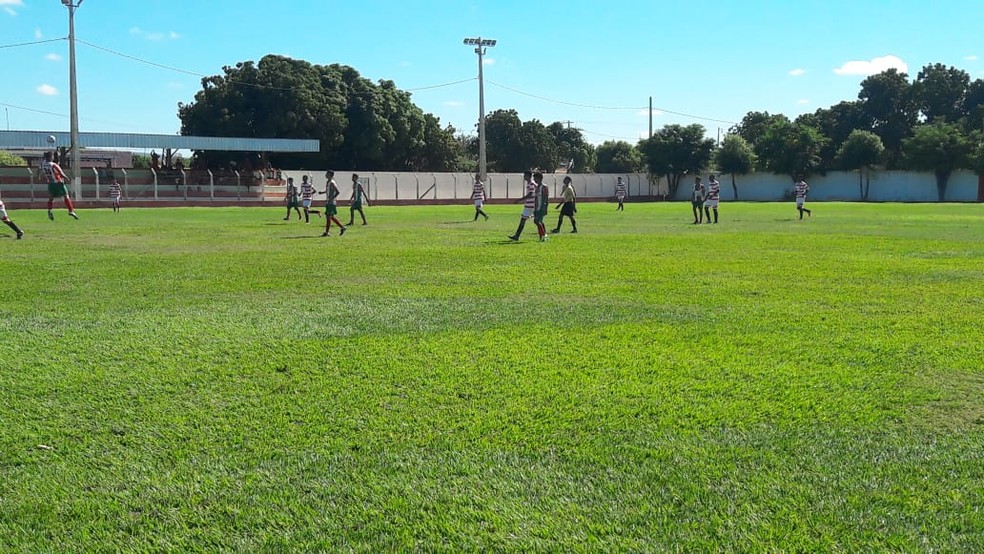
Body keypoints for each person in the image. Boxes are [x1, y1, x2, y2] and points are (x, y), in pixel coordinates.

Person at [40, 151, 78, 221]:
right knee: (66, 196)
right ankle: (71, 211)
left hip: (50, 183)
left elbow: (39, 170)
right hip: (58, 182)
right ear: (51, 157)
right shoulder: (53, 165)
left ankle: (49, 211)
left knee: (51, 197)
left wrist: (39, 176)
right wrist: (67, 178)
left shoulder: (43, 164)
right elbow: (61, 174)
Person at [508, 170, 536, 241]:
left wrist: (519, 200)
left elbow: (531, 194)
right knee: (535, 221)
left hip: (530, 205)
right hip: (530, 205)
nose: (524, 177)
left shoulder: (531, 184)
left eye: (525, 175)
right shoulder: (531, 183)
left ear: (528, 176)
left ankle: (517, 236)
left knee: (525, 220)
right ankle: (517, 236)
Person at [320, 171, 347, 237]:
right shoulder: (328, 182)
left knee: (328, 217)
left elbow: (337, 192)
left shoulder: (332, 183)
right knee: (331, 217)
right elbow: (328, 190)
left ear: (330, 175)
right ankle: (342, 228)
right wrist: (323, 192)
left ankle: (327, 232)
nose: (325, 175)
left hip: (331, 202)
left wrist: (332, 198)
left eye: (327, 174)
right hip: (328, 202)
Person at [532, 171, 550, 241]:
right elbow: (536, 197)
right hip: (537, 207)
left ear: (539, 178)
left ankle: (543, 235)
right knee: (540, 221)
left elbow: (546, 197)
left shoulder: (544, 187)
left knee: (537, 221)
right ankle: (543, 235)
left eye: (535, 178)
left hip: (542, 207)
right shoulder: (537, 187)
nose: (534, 180)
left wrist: (545, 207)